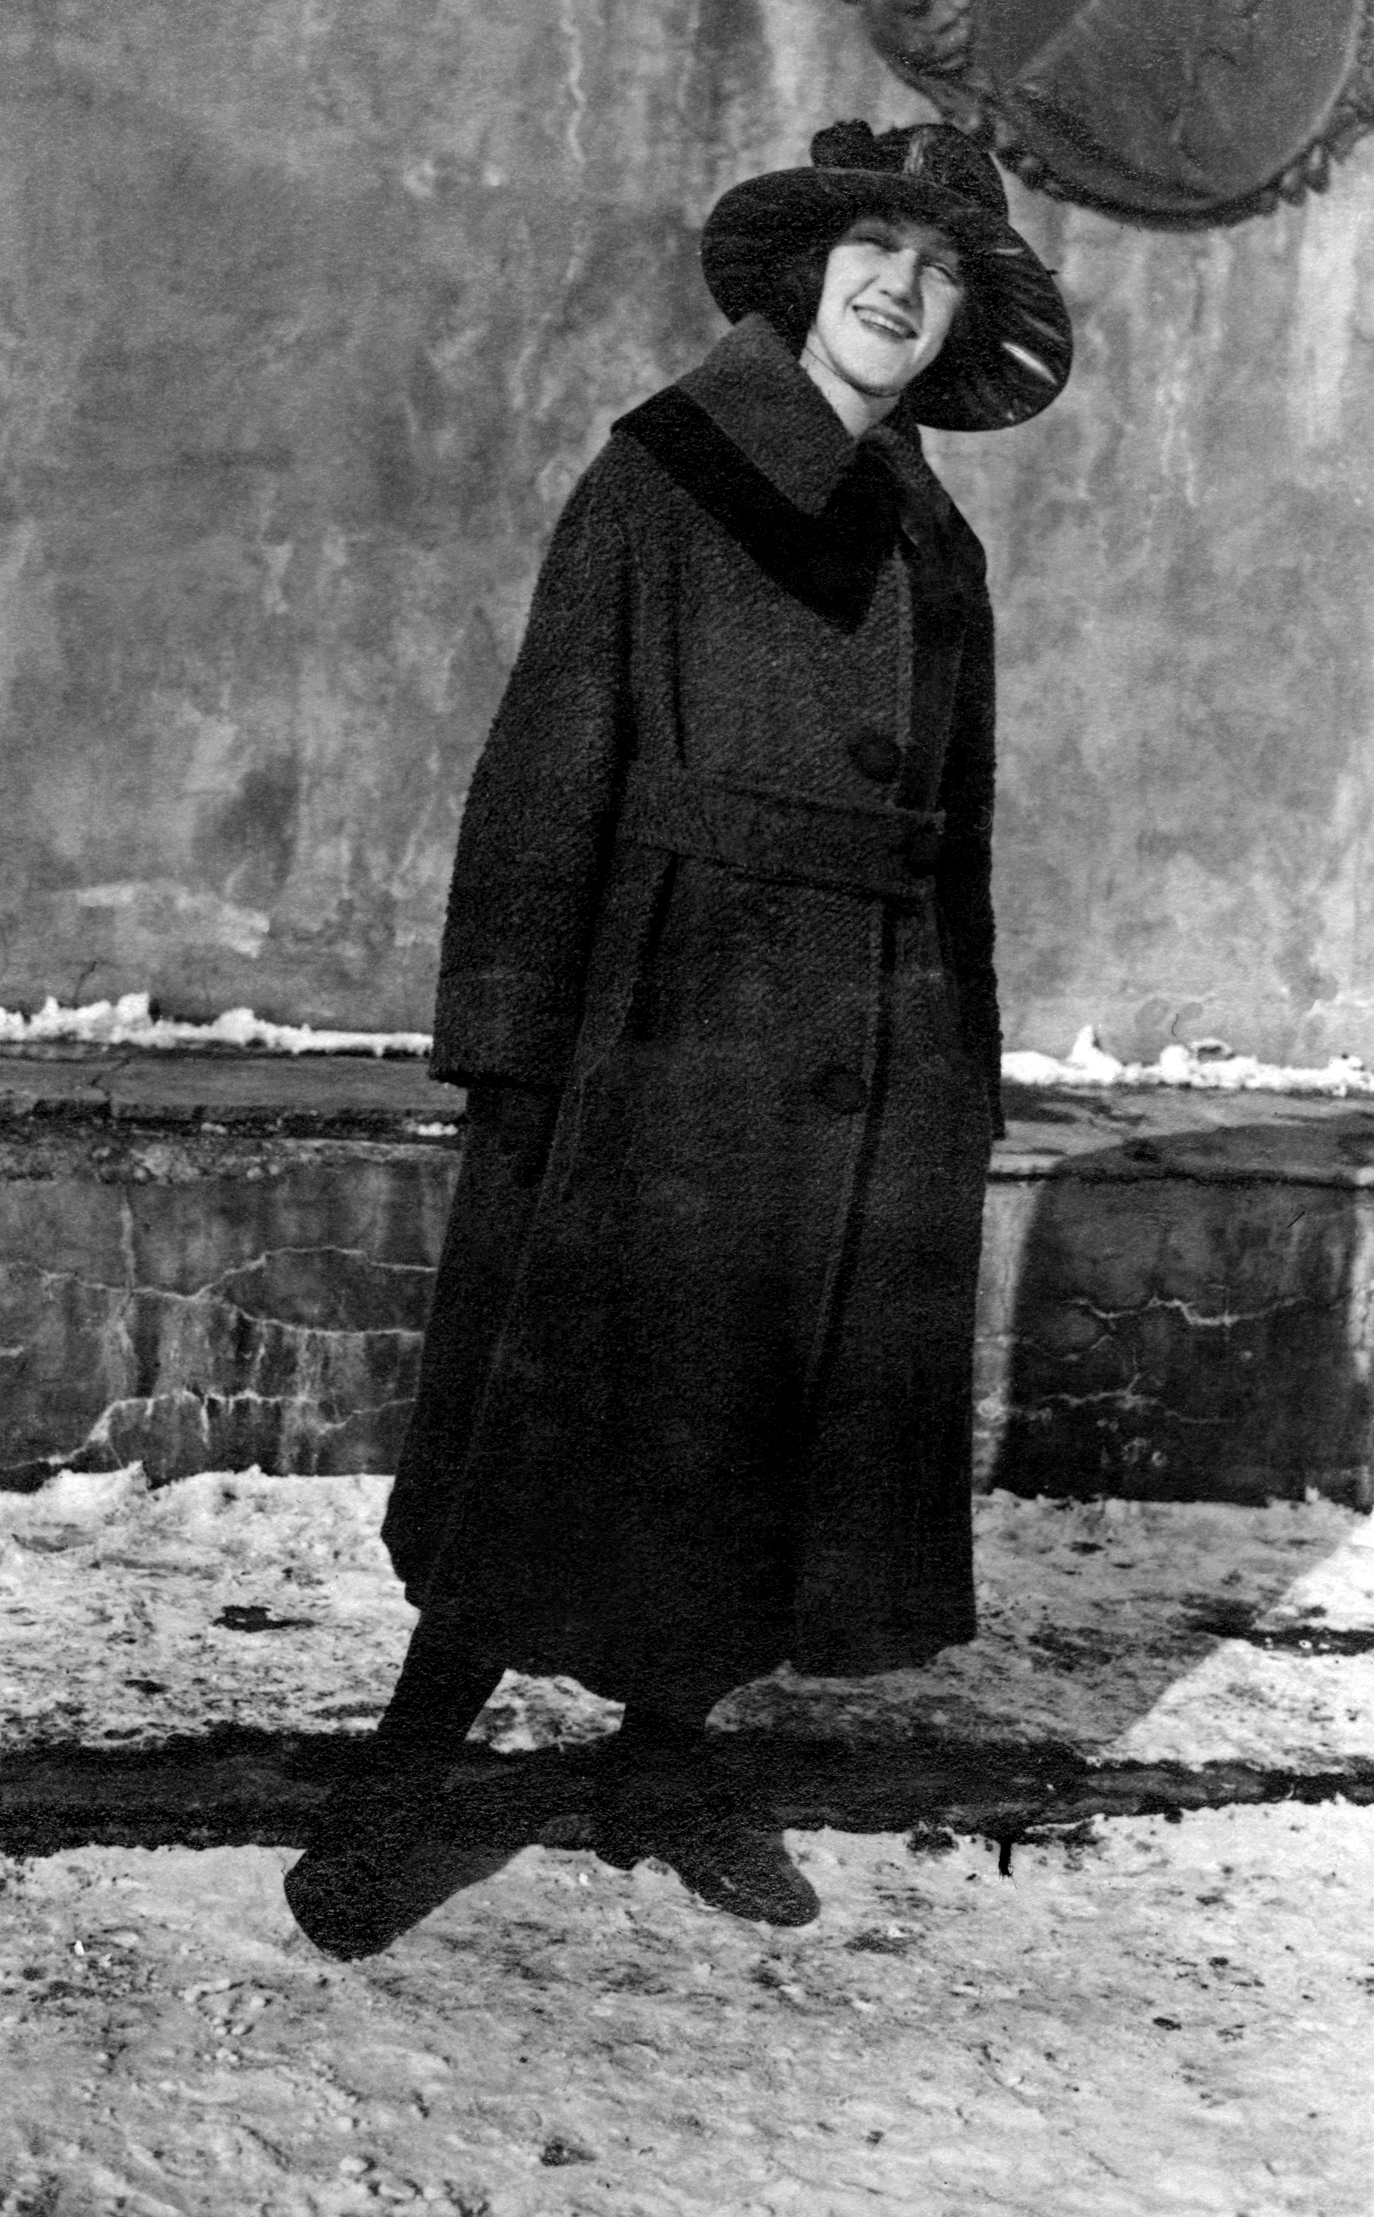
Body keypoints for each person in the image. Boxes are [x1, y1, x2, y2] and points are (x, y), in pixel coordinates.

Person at [286, 119, 1071, 1952]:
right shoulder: (664, 472)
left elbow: (952, 829)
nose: (900, 287)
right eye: (874, 250)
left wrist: (953, 1067)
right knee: (556, 1408)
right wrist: (514, 1035)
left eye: (938, 270)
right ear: (807, 276)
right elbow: (547, 752)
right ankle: (398, 1781)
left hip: (869, 1038)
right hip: (664, 1014)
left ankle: (660, 1760)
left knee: (764, 1418)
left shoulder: (934, 538)